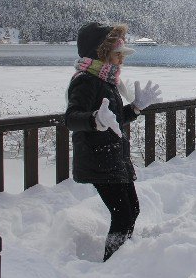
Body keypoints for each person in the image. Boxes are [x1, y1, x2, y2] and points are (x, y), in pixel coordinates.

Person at [66, 22, 163, 261]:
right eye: (118, 53)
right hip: (98, 160)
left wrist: (136, 108)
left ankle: (122, 261)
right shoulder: (85, 80)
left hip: (113, 157)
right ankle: (113, 264)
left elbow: (114, 120)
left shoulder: (106, 80)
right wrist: (94, 120)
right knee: (123, 216)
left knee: (132, 211)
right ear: (102, 52)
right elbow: (71, 118)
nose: (122, 59)